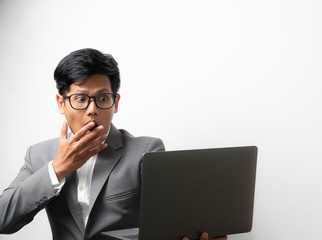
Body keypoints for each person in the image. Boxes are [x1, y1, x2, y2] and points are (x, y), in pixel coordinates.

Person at [0, 48, 226, 240]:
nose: (92, 109)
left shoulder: (145, 151)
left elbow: (168, 225)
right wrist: (58, 168)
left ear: (115, 102)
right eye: (81, 98)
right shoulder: (38, 154)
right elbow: (3, 219)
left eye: (102, 98)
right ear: (61, 103)